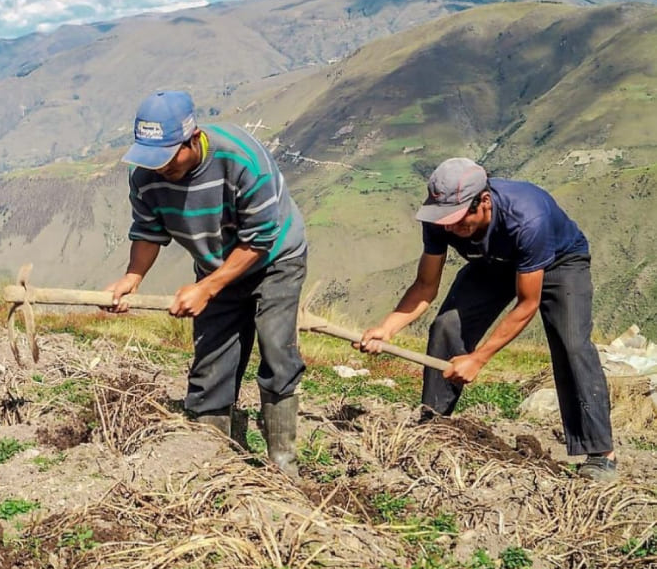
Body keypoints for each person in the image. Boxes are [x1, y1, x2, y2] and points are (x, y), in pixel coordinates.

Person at [356, 157, 617, 481]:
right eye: (445, 220)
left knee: (571, 345)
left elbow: (527, 304)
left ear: (484, 200)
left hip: (559, 263)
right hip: (495, 263)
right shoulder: (440, 220)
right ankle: (433, 424)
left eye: (458, 219)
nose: (451, 228)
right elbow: (425, 285)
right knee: (446, 326)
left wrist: (479, 359)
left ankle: (601, 453)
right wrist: (387, 328)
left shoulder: (526, 218)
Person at [103, 91, 308, 477]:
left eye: (167, 156)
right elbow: (148, 231)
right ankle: (211, 462)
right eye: (152, 158)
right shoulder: (146, 176)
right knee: (212, 360)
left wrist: (208, 288)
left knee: (277, 349)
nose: (161, 168)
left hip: (274, 258)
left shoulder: (243, 161)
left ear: (192, 139)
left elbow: (259, 241)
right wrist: (133, 276)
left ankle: (283, 464)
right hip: (215, 263)